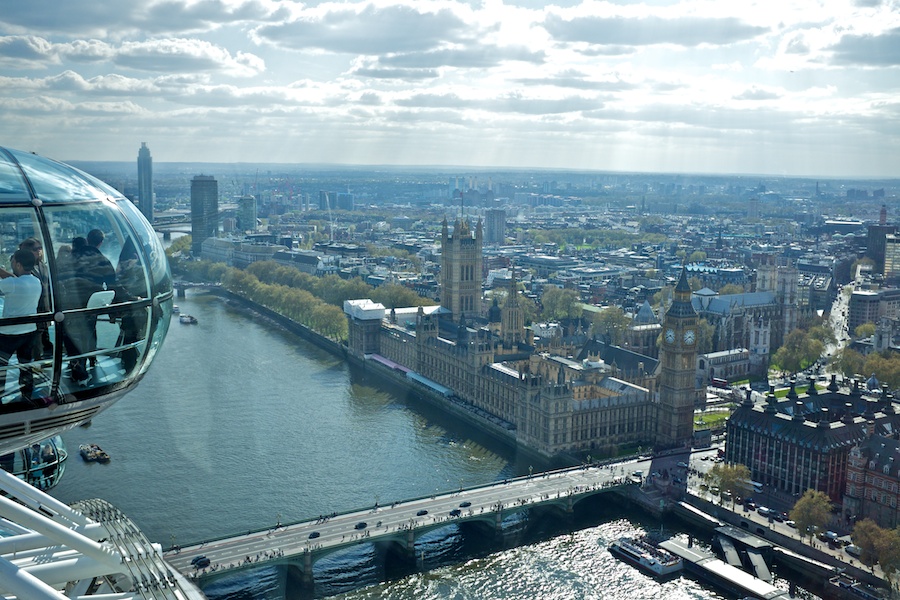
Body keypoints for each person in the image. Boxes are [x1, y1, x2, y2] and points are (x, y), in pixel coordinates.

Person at [0, 249, 43, 404]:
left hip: (8, 333)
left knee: (1, 367)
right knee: (26, 365)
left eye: (12, 262)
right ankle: (27, 394)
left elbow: (7, 283)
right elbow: (15, 281)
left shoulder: (12, 284)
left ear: (18, 264)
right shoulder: (36, 281)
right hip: (29, 331)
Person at [18, 238, 51, 359]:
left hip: (44, 309)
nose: (39, 251)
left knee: (43, 338)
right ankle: (34, 365)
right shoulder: (22, 266)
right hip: (32, 310)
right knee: (34, 342)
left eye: (40, 248)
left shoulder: (43, 266)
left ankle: (41, 362)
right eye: (35, 249)